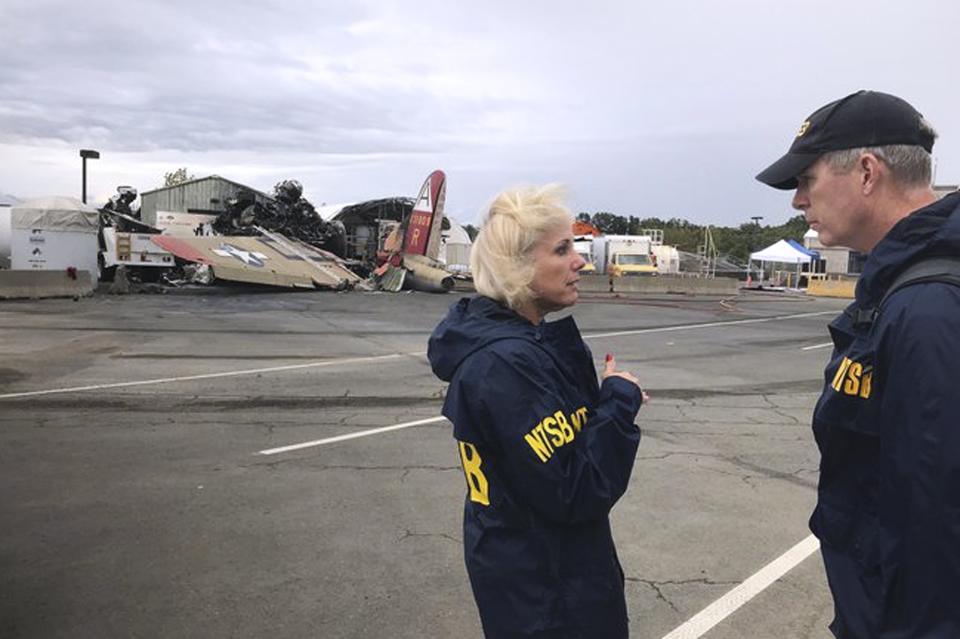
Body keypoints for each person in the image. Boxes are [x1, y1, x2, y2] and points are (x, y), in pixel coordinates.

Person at [757, 90, 960, 638]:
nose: (798, 200)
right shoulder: (902, 288)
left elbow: (936, 527)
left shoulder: (926, 308)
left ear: (867, 172)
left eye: (807, 180)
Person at [427, 185, 647, 638]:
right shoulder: (506, 364)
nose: (580, 262)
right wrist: (619, 403)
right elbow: (575, 490)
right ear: (519, 266)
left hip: (535, 575)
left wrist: (600, 396)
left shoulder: (519, 347)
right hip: (546, 593)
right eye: (562, 250)